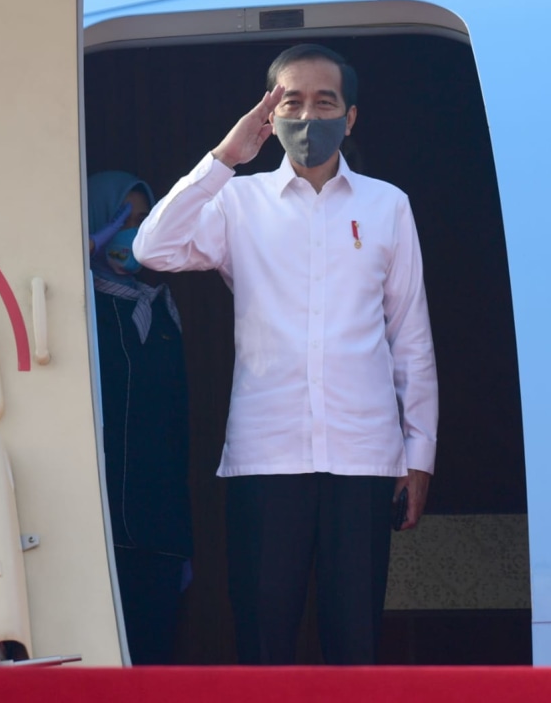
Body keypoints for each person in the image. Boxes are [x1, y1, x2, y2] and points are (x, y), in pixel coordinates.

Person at [133, 44, 438, 665]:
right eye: (290, 102)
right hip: (267, 455)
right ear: (268, 117)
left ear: (350, 117)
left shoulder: (388, 205)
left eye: (325, 102)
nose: (308, 116)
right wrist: (224, 159)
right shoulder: (236, 202)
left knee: (354, 640)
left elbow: (410, 337)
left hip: (364, 455)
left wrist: (419, 453)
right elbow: (151, 248)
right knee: (264, 638)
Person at [87, 170, 193, 665]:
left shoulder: (163, 308)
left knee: (154, 662)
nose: (130, 233)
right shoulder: (80, 305)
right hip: (97, 527)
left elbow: (180, 427)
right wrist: (88, 247)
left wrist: (184, 539)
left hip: (159, 529)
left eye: (142, 220)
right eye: (119, 220)